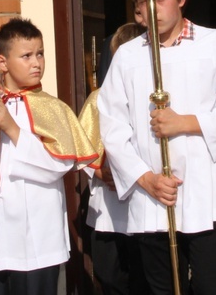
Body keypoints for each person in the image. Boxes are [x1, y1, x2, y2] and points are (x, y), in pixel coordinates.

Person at [97, 0, 216, 295]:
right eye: (143, 1)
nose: (151, 9)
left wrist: (185, 122)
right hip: (154, 197)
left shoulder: (214, 45)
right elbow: (113, 127)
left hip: (206, 193)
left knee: (213, 286)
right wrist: (146, 179)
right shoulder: (127, 56)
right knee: (161, 288)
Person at [0, 18, 98, 295]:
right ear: (2, 62)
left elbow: (58, 164)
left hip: (37, 234)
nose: (37, 63)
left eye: (40, 53)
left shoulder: (53, 108)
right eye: (26, 56)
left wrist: (11, 127)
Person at [79, 22, 149, 295]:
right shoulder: (98, 98)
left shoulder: (157, 97)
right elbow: (81, 144)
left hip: (144, 200)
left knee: (144, 277)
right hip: (108, 207)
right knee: (110, 277)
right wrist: (98, 172)